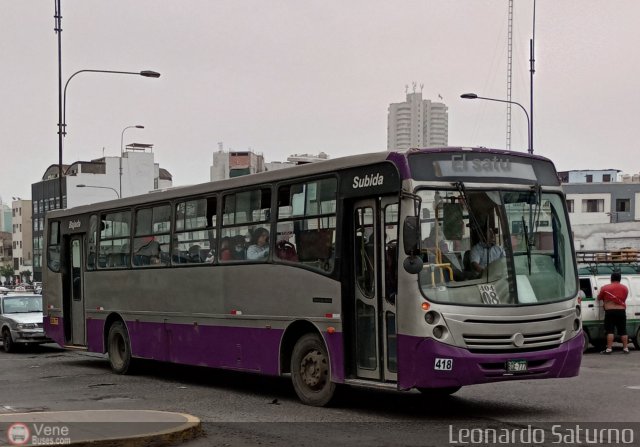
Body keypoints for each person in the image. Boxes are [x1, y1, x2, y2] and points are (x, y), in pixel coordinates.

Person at [597, 272, 629, 354]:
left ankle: (609, 349)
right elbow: (624, 299)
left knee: (610, 331)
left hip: (610, 311)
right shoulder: (625, 288)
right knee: (623, 330)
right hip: (621, 311)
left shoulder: (605, 288)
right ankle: (625, 348)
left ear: (611, 278)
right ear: (620, 279)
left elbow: (599, 298)